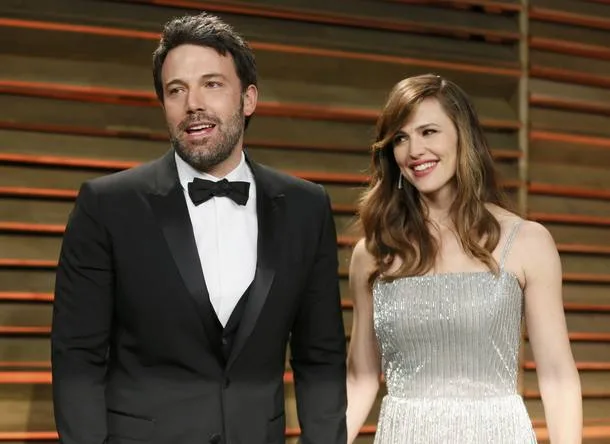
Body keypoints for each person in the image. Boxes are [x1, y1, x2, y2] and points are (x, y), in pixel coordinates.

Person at [51, 12, 347, 444]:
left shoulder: (307, 206)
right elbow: (77, 358)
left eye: (212, 84)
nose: (193, 104)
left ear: (248, 99)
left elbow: (320, 357)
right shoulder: (107, 205)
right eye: (176, 90)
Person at [345, 74, 582, 443]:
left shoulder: (527, 242)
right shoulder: (373, 254)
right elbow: (360, 377)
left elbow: (557, 374)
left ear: (462, 136)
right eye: (401, 138)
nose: (414, 151)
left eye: (428, 132)